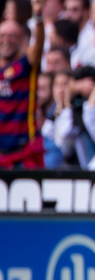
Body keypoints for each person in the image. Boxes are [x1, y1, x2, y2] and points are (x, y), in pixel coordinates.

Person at [0, 17, 46, 167]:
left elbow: (38, 48)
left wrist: (38, 17)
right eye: (2, 36)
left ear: (21, 41)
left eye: (12, 36)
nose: (7, 40)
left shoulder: (25, 67)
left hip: (24, 151)